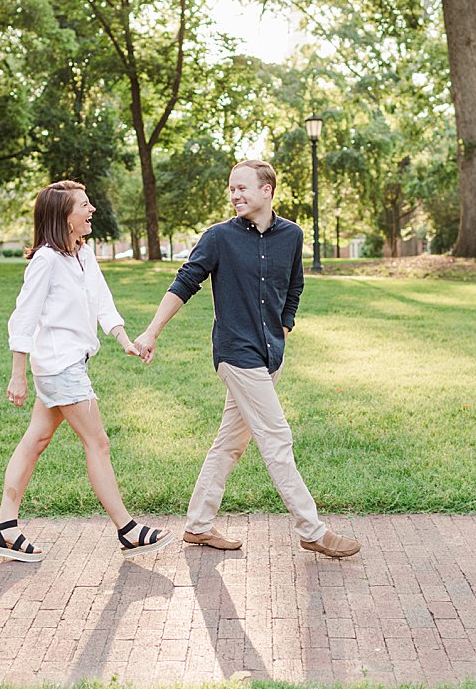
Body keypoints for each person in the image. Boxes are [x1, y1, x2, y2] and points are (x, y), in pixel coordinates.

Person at [134, 160, 360, 559]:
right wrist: (152, 331)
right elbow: (185, 282)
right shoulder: (218, 238)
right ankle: (313, 529)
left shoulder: (291, 235)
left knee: (229, 445)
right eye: (232, 189)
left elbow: (294, 287)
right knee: (277, 439)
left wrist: (284, 327)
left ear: (267, 190)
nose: (235, 195)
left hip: (270, 353)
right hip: (236, 355)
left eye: (242, 188)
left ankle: (199, 525)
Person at [0, 180, 173, 563]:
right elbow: (24, 317)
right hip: (59, 366)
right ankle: (128, 530)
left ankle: (5, 527)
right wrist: (17, 373)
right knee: (98, 442)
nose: (91, 211)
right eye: (84, 206)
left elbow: (102, 302)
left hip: (69, 363)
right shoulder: (46, 261)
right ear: (63, 216)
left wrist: (124, 340)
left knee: (35, 441)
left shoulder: (82, 255)